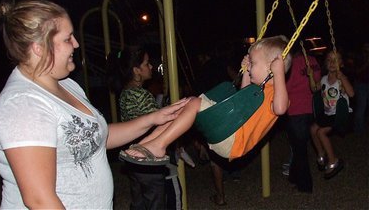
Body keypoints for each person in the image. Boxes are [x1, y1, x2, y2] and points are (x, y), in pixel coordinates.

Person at [0, 0, 189, 209]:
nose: (76, 44)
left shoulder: (67, 85)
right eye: (68, 38)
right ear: (39, 47)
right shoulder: (23, 106)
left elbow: (94, 138)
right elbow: (40, 200)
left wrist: (153, 118)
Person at [119, 35, 292, 164]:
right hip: (227, 131)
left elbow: (280, 108)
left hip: (233, 139)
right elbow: (243, 97)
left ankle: (159, 145)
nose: (251, 66)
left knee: (194, 103)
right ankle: (146, 143)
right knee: (185, 105)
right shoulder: (257, 89)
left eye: (253, 63)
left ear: (271, 68)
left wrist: (278, 75)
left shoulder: (276, 92)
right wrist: (246, 71)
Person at [106, 46, 181, 210]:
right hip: (148, 157)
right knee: (156, 202)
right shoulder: (142, 95)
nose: (151, 67)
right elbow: (159, 125)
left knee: (139, 202)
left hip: (132, 155)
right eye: (147, 64)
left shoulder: (125, 92)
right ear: (136, 70)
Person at [310, 50, 354, 179]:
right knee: (313, 129)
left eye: (335, 60)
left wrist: (343, 79)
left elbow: (351, 94)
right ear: (325, 63)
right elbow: (314, 89)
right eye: (329, 60)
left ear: (341, 64)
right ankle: (321, 154)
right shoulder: (324, 79)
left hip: (340, 114)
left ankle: (334, 160)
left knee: (321, 132)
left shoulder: (341, 79)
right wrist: (311, 76)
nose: (332, 63)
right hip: (328, 114)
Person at [285, 48, 321, 193]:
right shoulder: (313, 61)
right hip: (311, 110)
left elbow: (286, 87)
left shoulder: (292, 63)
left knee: (300, 150)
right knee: (299, 146)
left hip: (296, 111)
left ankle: (305, 185)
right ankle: (294, 176)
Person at [353, 43, 369, 133]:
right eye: (366, 47)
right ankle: (358, 130)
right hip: (361, 85)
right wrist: (367, 63)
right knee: (361, 107)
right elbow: (356, 72)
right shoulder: (359, 58)